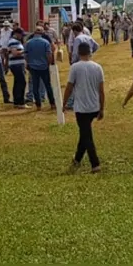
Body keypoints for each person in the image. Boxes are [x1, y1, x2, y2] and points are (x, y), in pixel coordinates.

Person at [64, 42, 105, 173]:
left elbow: (69, 87)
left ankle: (95, 163)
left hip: (81, 107)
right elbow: (101, 90)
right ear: (90, 52)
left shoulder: (75, 67)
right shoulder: (98, 67)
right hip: (94, 106)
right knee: (84, 133)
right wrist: (102, 108)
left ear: (78, 53)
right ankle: (77, 158)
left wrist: (64, 103)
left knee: (87, 135)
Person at [25, 24, 57, 110]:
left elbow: (26, 55)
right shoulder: (45, 42)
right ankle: (52, 103)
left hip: (33, 66)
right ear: (42, 33)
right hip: (44, 66)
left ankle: (38, 105)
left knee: (35, 86)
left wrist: (28, 64)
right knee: (47, 85)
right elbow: (49, 55)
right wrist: (49, 63)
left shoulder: (28, 43)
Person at [6, 28, 27, 108]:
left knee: (17, 82)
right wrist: (25, 51)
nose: (22, 37)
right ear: (17, 34)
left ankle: (16, 101)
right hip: (16, 64)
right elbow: (14, 53)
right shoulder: (13, 42)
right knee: (22, 82)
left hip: (17, 64)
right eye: (21, 35)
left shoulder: (15, 41)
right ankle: (20, 102)